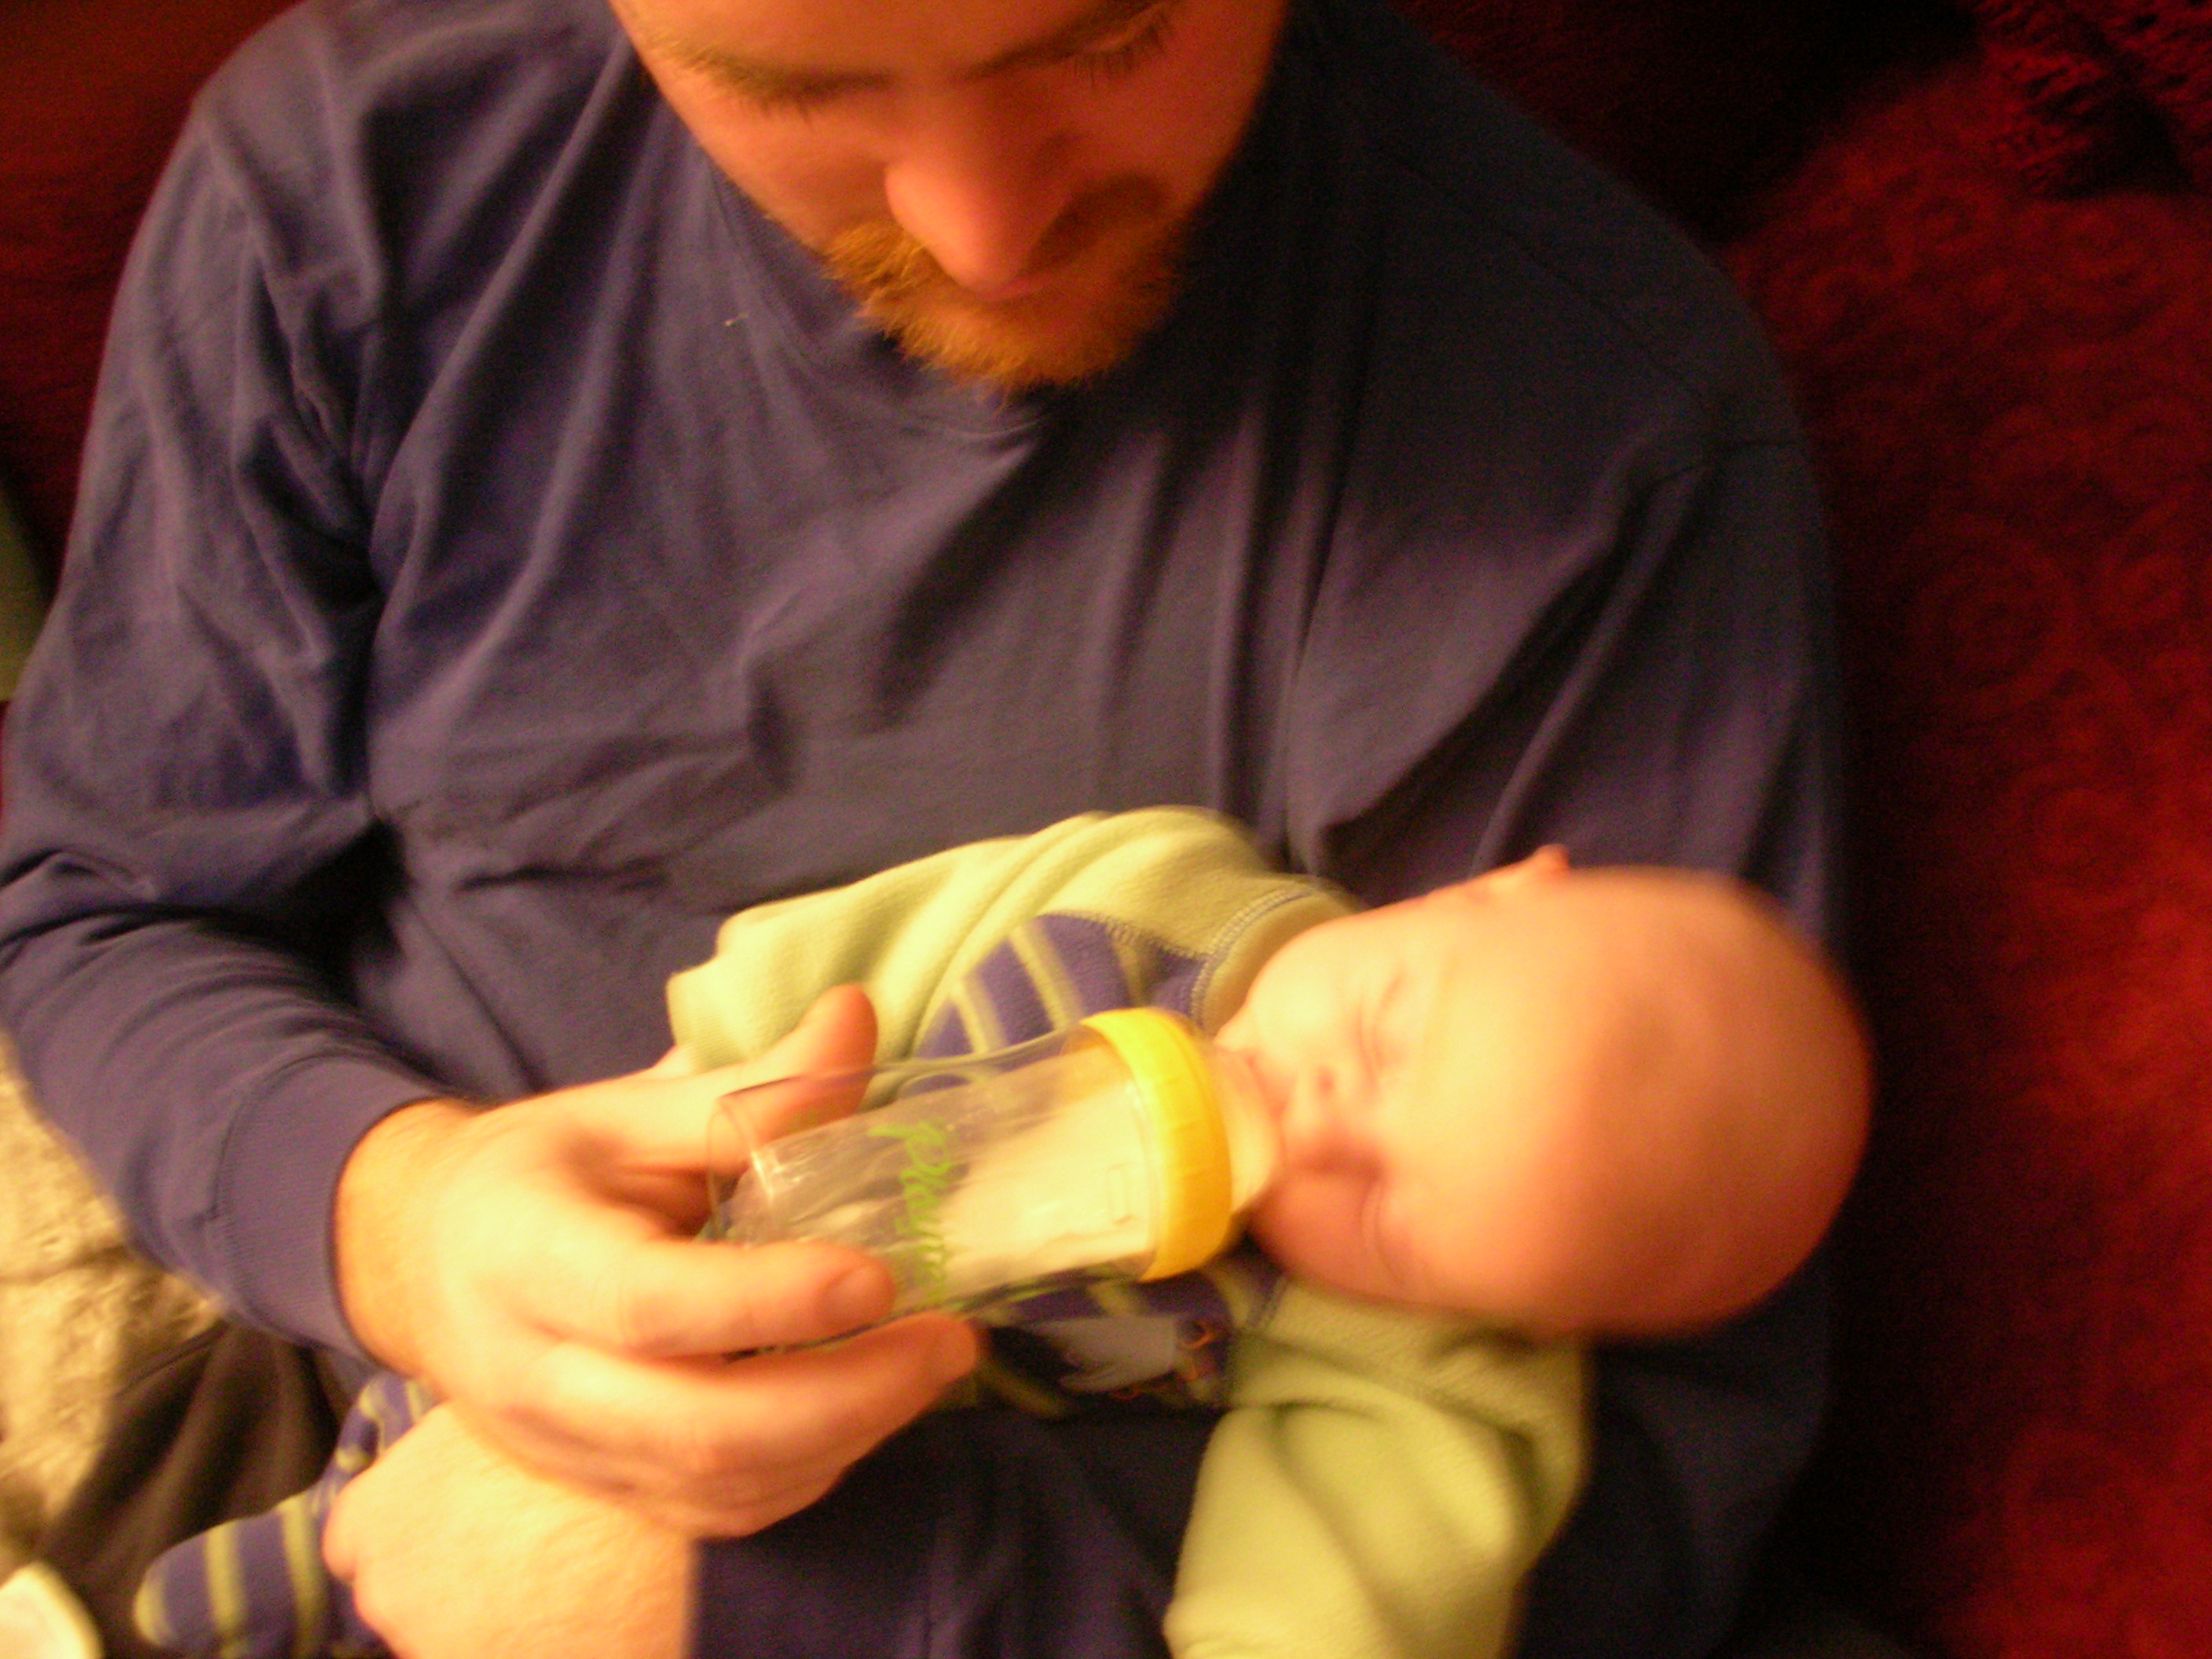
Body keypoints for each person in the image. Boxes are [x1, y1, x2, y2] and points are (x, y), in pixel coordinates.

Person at [0, 0, 1848, 1652]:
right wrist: (401, 1221)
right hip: (338, 1394)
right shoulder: (354, 184)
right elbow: (101, 904)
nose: (984, 233)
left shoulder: (1594, 439)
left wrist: (775, 1600)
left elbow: (1633, 1474)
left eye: (1109, 39)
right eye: (787, 86)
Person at [136, 808, 1867, 1659]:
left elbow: (1342, 1606)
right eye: (1394, 1025)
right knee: (406, 1453)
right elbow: (893, 929)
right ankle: (229, 1586)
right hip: (706, 1211)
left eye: (1401, 1218)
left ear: (1514, 1311)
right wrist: (717, 1064)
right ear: (1486, 888)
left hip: (841, 1453)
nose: (1322, 1114)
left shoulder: (1432, 1377)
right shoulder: (1159, 887)